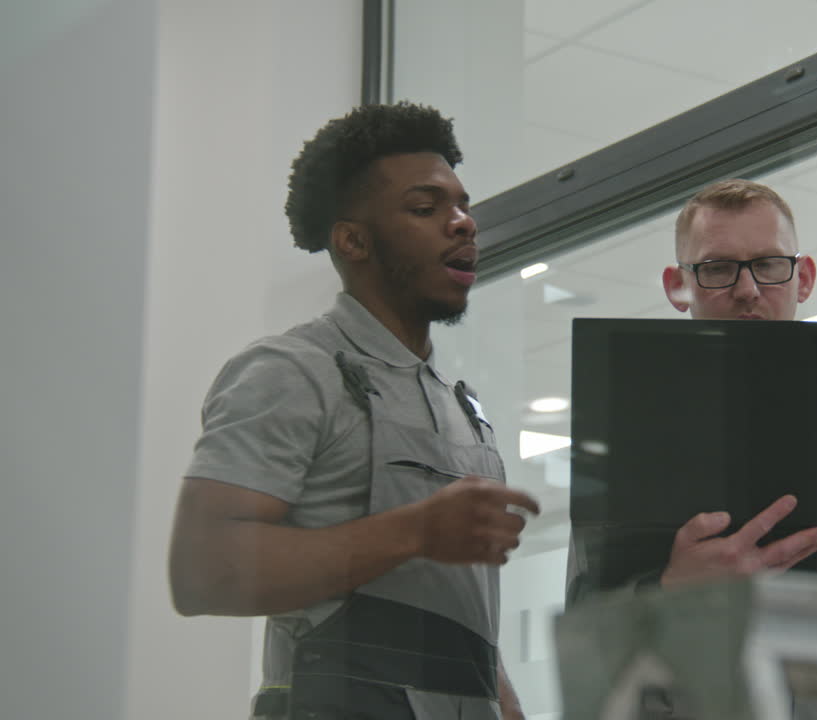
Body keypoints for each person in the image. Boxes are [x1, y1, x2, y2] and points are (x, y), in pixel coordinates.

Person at [168, 102, 540, 720]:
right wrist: (417, 532)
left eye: (462, 205)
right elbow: (202, 570)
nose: (463, 224)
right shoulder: (290, 372)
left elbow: (460, 625)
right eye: (426, 209)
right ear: (352, 239)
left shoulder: (461, 406)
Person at [566, 178, 817, 720]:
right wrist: (671, 588)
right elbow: (590, 628)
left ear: (804, 278)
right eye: (718, 268)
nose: (748, 289)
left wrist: (803, 427)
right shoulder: (629, 423)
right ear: (679, 286)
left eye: (769, 265)